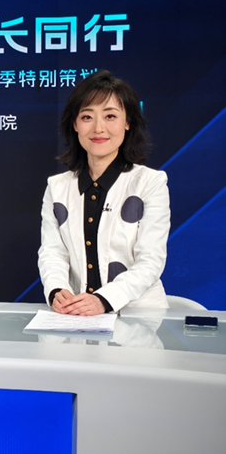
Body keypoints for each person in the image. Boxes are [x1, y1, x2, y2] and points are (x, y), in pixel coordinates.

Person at [38, 70, 170, 315]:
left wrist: (104, 300)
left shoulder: (150, 183)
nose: (98, 128)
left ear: (127, 122)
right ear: (75, 124)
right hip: (77, 316)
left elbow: (150, 260)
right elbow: (52, 251)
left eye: (110, 116)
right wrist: (57, 290)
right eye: (87, 117)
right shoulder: (57, 187)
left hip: (139, 317)